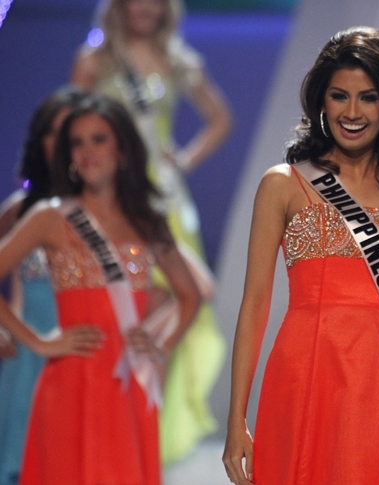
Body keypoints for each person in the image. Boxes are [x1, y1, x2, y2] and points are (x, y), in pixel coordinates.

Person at [222, 26, 379, 485]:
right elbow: (254, 306)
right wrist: (238, 421)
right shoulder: (283, 184)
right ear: (321, 102)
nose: (352, 112)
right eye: (339, 96)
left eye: (368, 97)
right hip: (306, 374)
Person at [0, 94, 200, 484]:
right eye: (77, 142)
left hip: (127, 383)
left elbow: (189, 295)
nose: (88, 151)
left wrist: (162, 344)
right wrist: (39, 342)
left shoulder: (147, 221)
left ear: (123, 148)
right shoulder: (49, 217)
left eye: (99, 139)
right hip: (69, 381)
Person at [70, 0, 232, 463]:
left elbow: (221, 119)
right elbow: (66, 127)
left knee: (186, 298)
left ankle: (145, 430)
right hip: (109, 197)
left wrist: (182, 161)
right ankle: (107, 426)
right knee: (121, 309)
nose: (145, 6)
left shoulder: (179, 60)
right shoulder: (94, 60)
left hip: (165, 203)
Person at [0, 86, 85, 485]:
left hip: (83, 350)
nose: (64, 141)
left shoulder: (107, 210)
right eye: (53, 131)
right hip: (27, 353)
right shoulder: (19, 209)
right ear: (40, 140)